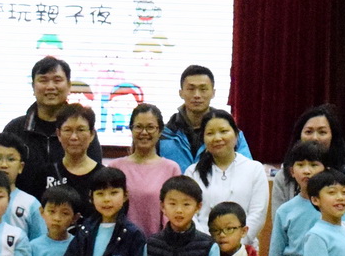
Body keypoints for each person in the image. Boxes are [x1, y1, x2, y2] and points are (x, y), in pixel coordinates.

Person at [185, 109, 269, 246]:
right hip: (203, 248)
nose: (217, 138)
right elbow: (190, 215)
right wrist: (209, 245)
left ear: (236, 135)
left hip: (244, 249)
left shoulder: (254, 169)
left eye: (223, 131)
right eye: (210, 133)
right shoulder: (192, 172)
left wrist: (236, 244)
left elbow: (257, 214)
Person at [268, 105, 345, 216]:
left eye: (322, 132)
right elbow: (278, 221)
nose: (315, 138)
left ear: (333, 137)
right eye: (308, 132)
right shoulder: (283, 178)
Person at [3, 56, 76, 193]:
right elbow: (1, 177)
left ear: (69, 86)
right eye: (43, 80)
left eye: (57, 80)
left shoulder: (81, 131)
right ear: (33, 87)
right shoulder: (15, 129)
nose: (50, 87)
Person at [108, 103, 182, 234]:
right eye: (138, 127)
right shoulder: (115, 167)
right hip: (121, 242)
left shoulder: (171, 169)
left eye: (150, 127)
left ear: (160, 131)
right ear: (131, 129)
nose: (144, 132)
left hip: (158, 243)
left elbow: (174, 213)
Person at [158, 64, 251, 167]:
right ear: (181, 93)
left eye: (203, 89)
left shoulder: (231, 134)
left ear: (213, 93)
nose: (197, 95)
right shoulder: (163, 135)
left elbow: (247, 170)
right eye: (191, 89)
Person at [43, 103, 104, 205]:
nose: (74, 137)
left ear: (92, 134)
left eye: (81, 130)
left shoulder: (103, 176)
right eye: (67, 130)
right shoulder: (46, 174)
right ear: (58, 134)